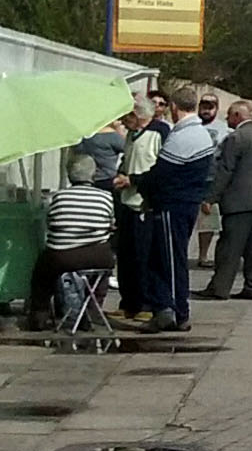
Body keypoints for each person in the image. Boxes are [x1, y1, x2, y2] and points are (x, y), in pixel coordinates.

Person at [130, 87, 216, 333]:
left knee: (170, 258)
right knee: (164, 257)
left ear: (175, 108)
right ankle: (164, 307)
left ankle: (178, 312)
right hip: (186, 203)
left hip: (173, 204)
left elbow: (161, 173)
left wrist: (137, 181)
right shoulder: (200, 133)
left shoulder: (182, 136)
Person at [197, 102, 252, 301]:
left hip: (238, 202)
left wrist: (211, 197)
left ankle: (220, 287)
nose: (227, 120)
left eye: (229, 116)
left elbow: (225, 170)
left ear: (237, 115)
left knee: (229, 248)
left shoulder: (235, 138)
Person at [25, 156, 115, 331]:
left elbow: (52, 223)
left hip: (63, 256)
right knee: (104, 271)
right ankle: (92, 308)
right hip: (97, 256)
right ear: (93, 174)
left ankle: (39, 313)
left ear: (69, 175)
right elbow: (109, 225)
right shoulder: (106, 197)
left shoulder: (59, 196)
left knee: (41, 275)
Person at [109, 98, 162, 323]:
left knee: (142, 255)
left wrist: (132, 180)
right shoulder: (131, 136)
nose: (123, 121)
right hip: (127, 201)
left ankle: (145, 302)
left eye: (127, 116)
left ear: (138, 115)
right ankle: (128, 301)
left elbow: (157, 170)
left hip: (143, 202)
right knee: (126, 254)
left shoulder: (156, 134)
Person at [193, 93, 230, 268]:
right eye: (204, 106)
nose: (207, 110)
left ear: (216, 108)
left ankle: (203, 255)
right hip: (191, 178)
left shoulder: (224, 129)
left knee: (208, 221)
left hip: (212, 179)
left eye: (211, 106)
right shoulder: (191, 124)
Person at [74, 119, 127, 192]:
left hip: (81, 178)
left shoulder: (81, 136)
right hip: (107, 178)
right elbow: (130, 151)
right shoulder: (112, 136)